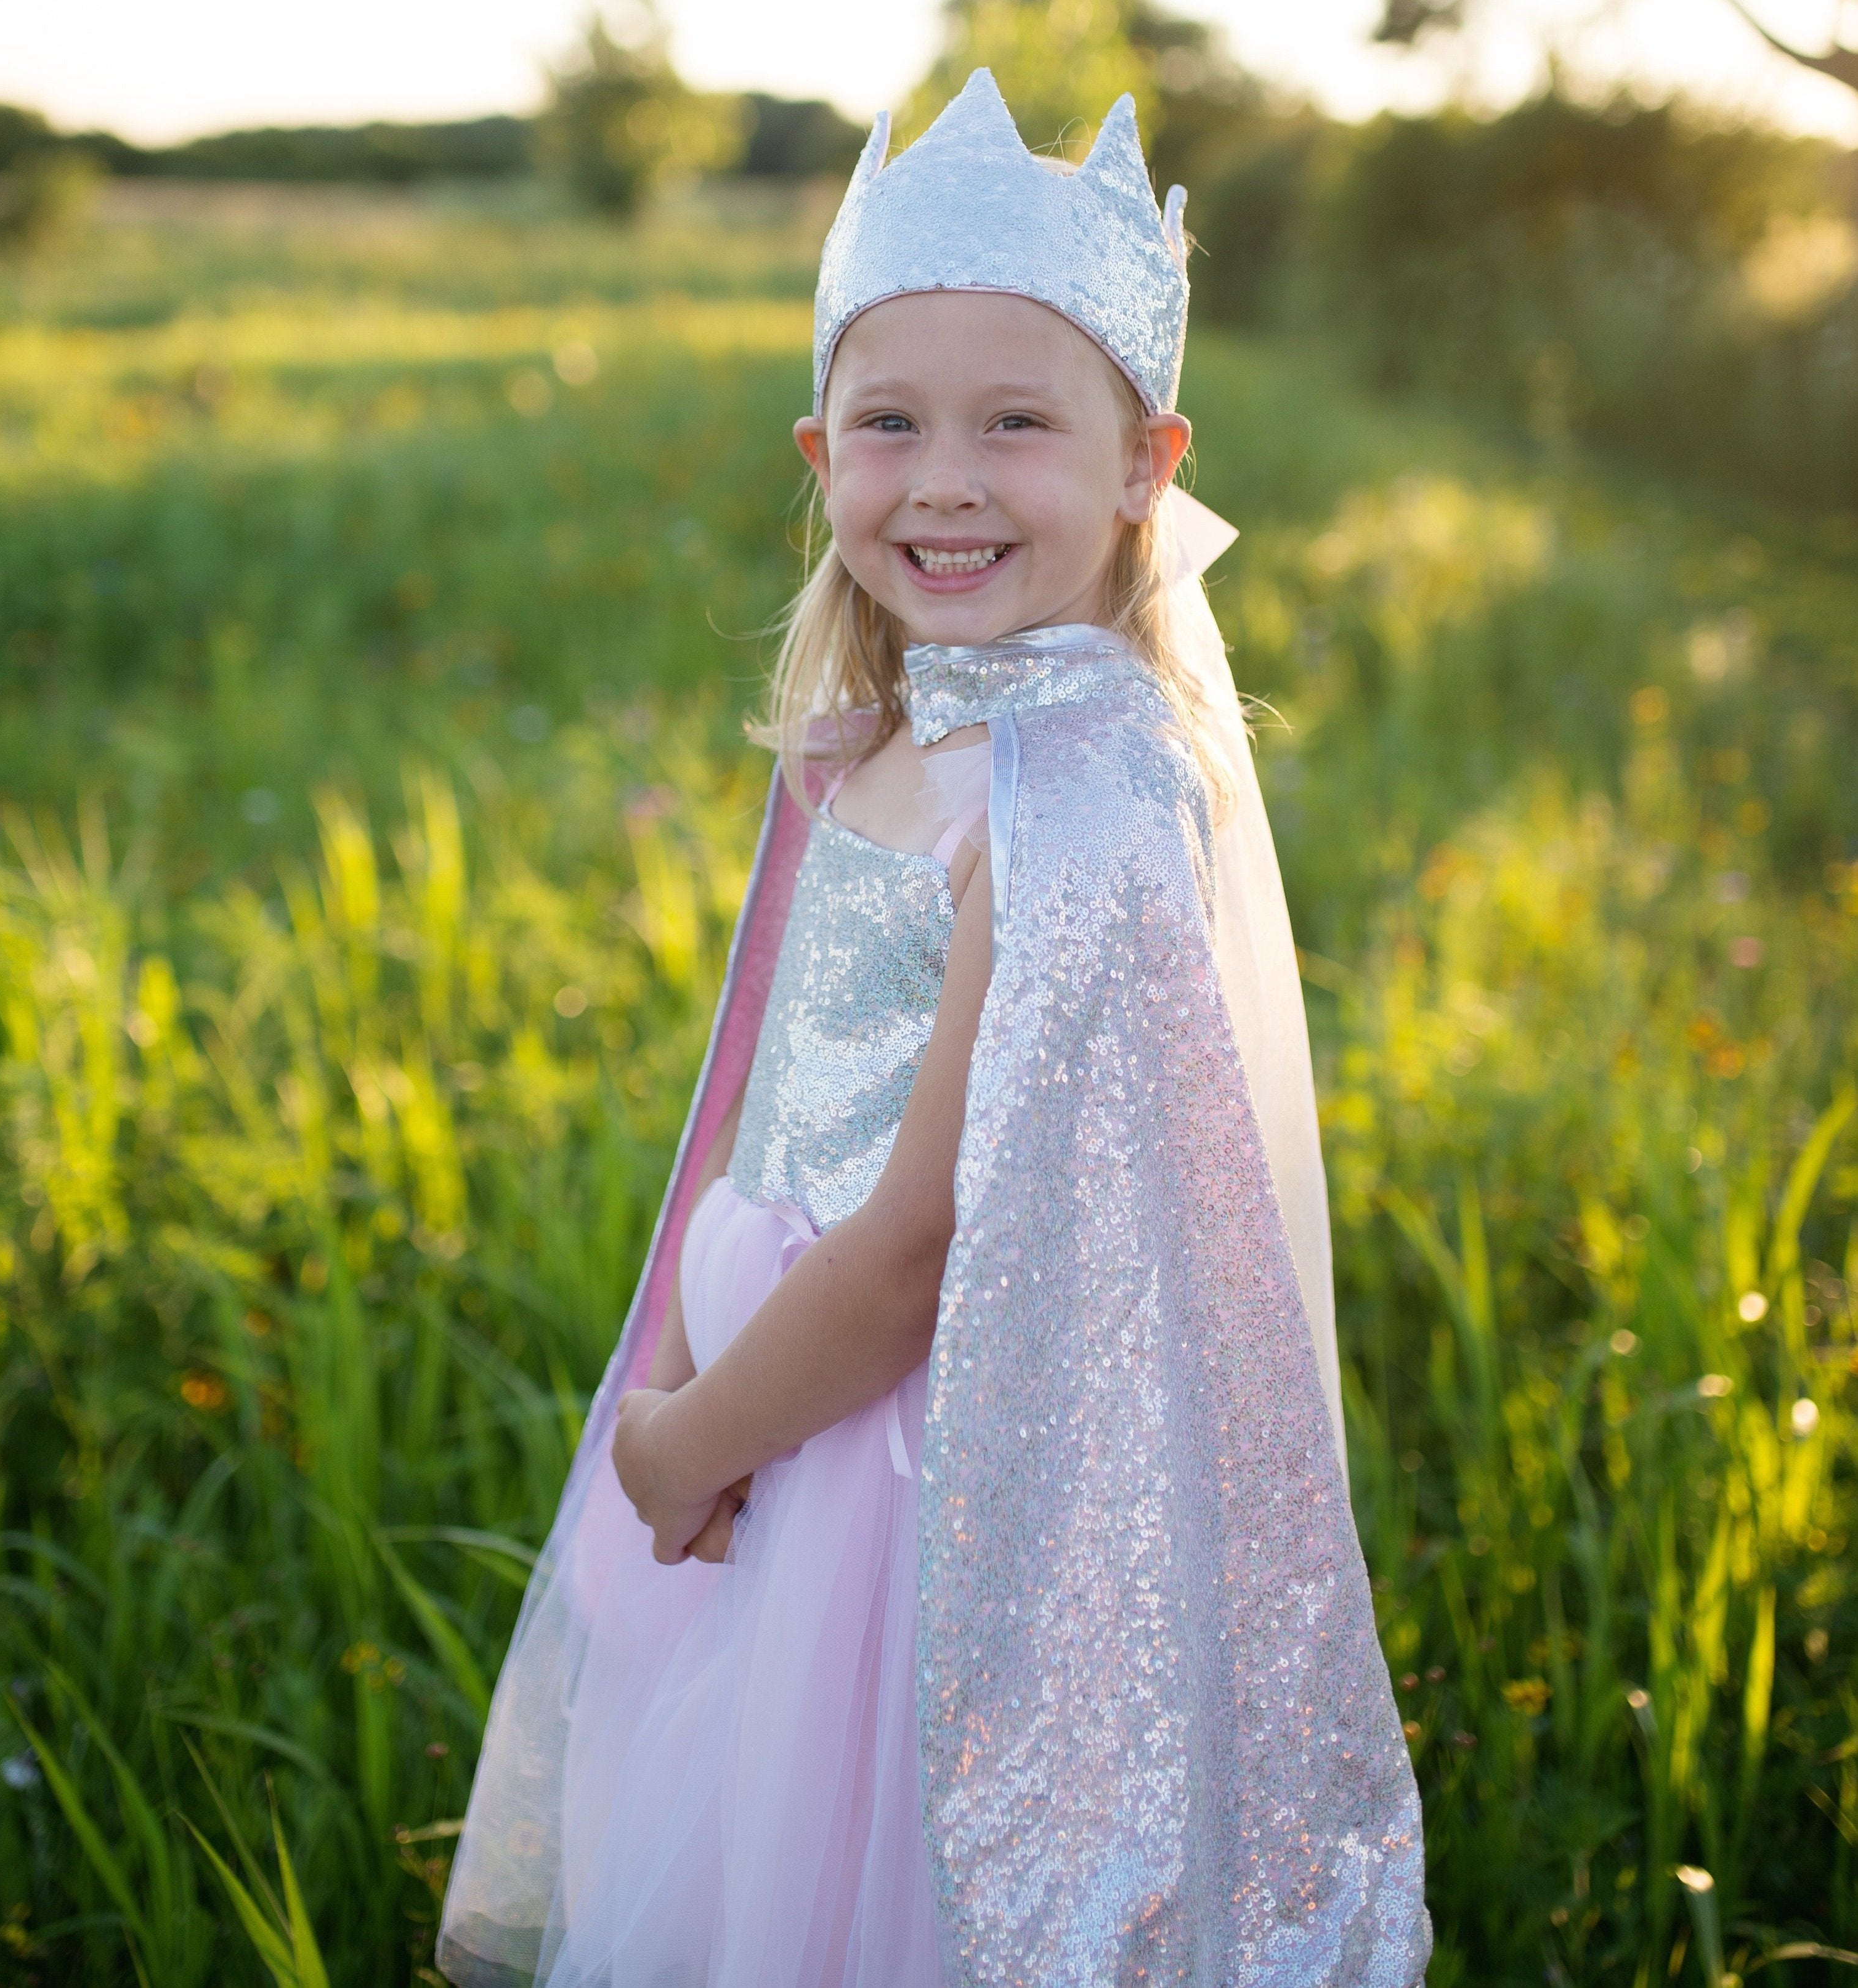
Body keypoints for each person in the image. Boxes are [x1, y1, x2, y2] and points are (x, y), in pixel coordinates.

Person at [439, 69, 1429, 1987]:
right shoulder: (898, 725)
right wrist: (690, 1391)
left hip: (901, 1486)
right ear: (819, 452)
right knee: (739, 1884)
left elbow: (918, 1246)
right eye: (890, 422)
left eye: (1016, 425)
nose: (946, 479)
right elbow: (755, 1109)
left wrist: (684, 1441)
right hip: (770, 1442)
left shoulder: (1076, 787)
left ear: (1148, 460)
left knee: (867, 1889)